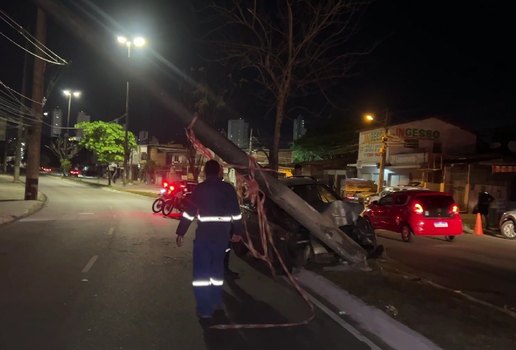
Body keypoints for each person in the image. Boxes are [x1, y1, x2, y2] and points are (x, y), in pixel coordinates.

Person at [175, 160, 243, 319]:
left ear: (205, 172)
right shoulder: (228, 189)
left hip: (204, 236)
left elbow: (189, 212)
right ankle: (216, 302)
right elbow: (236, 213)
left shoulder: (200, 188)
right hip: (221, 237)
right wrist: (237, 232)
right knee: (217, 270)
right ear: (219, 172)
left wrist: (181, 232)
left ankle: (205, 309)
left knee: (201, 273)